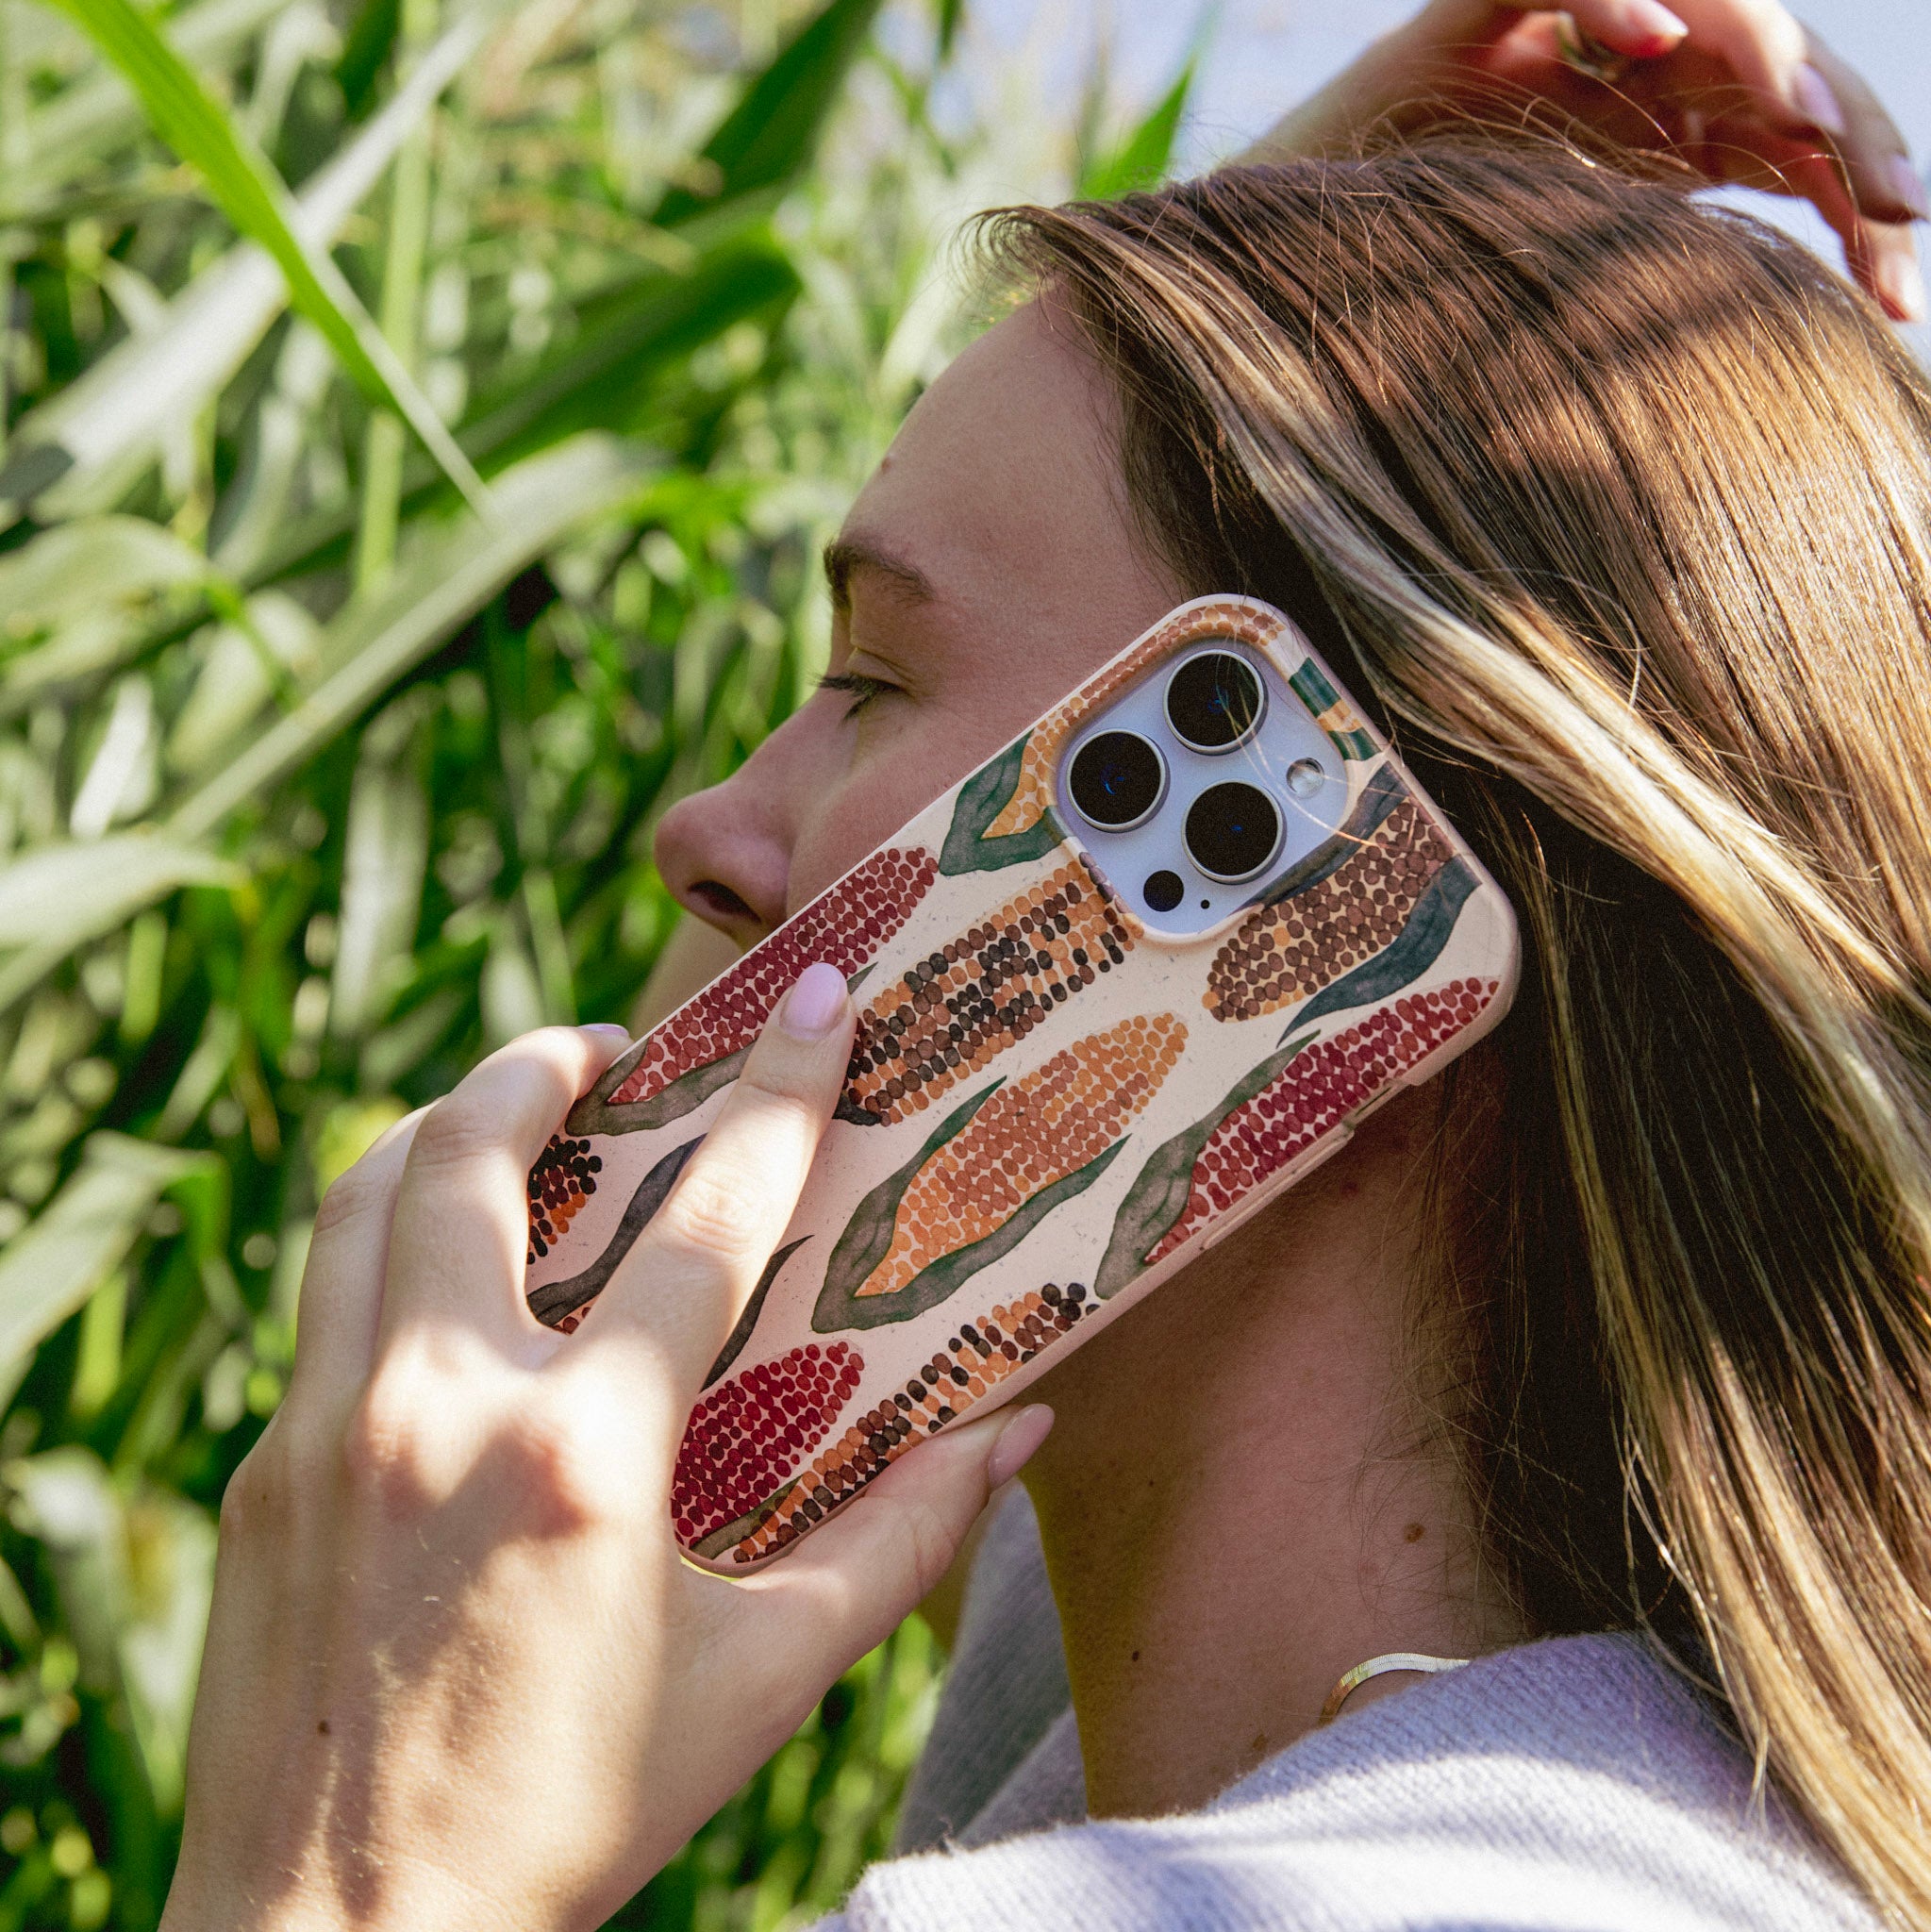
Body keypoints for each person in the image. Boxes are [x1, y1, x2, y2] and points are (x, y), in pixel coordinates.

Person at [160, 3, 1931, 1928]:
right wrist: (1289, 262)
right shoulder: (1541, 1796)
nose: (702, 826)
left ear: (1315, 955)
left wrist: (348, 1879)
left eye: (868, 679)